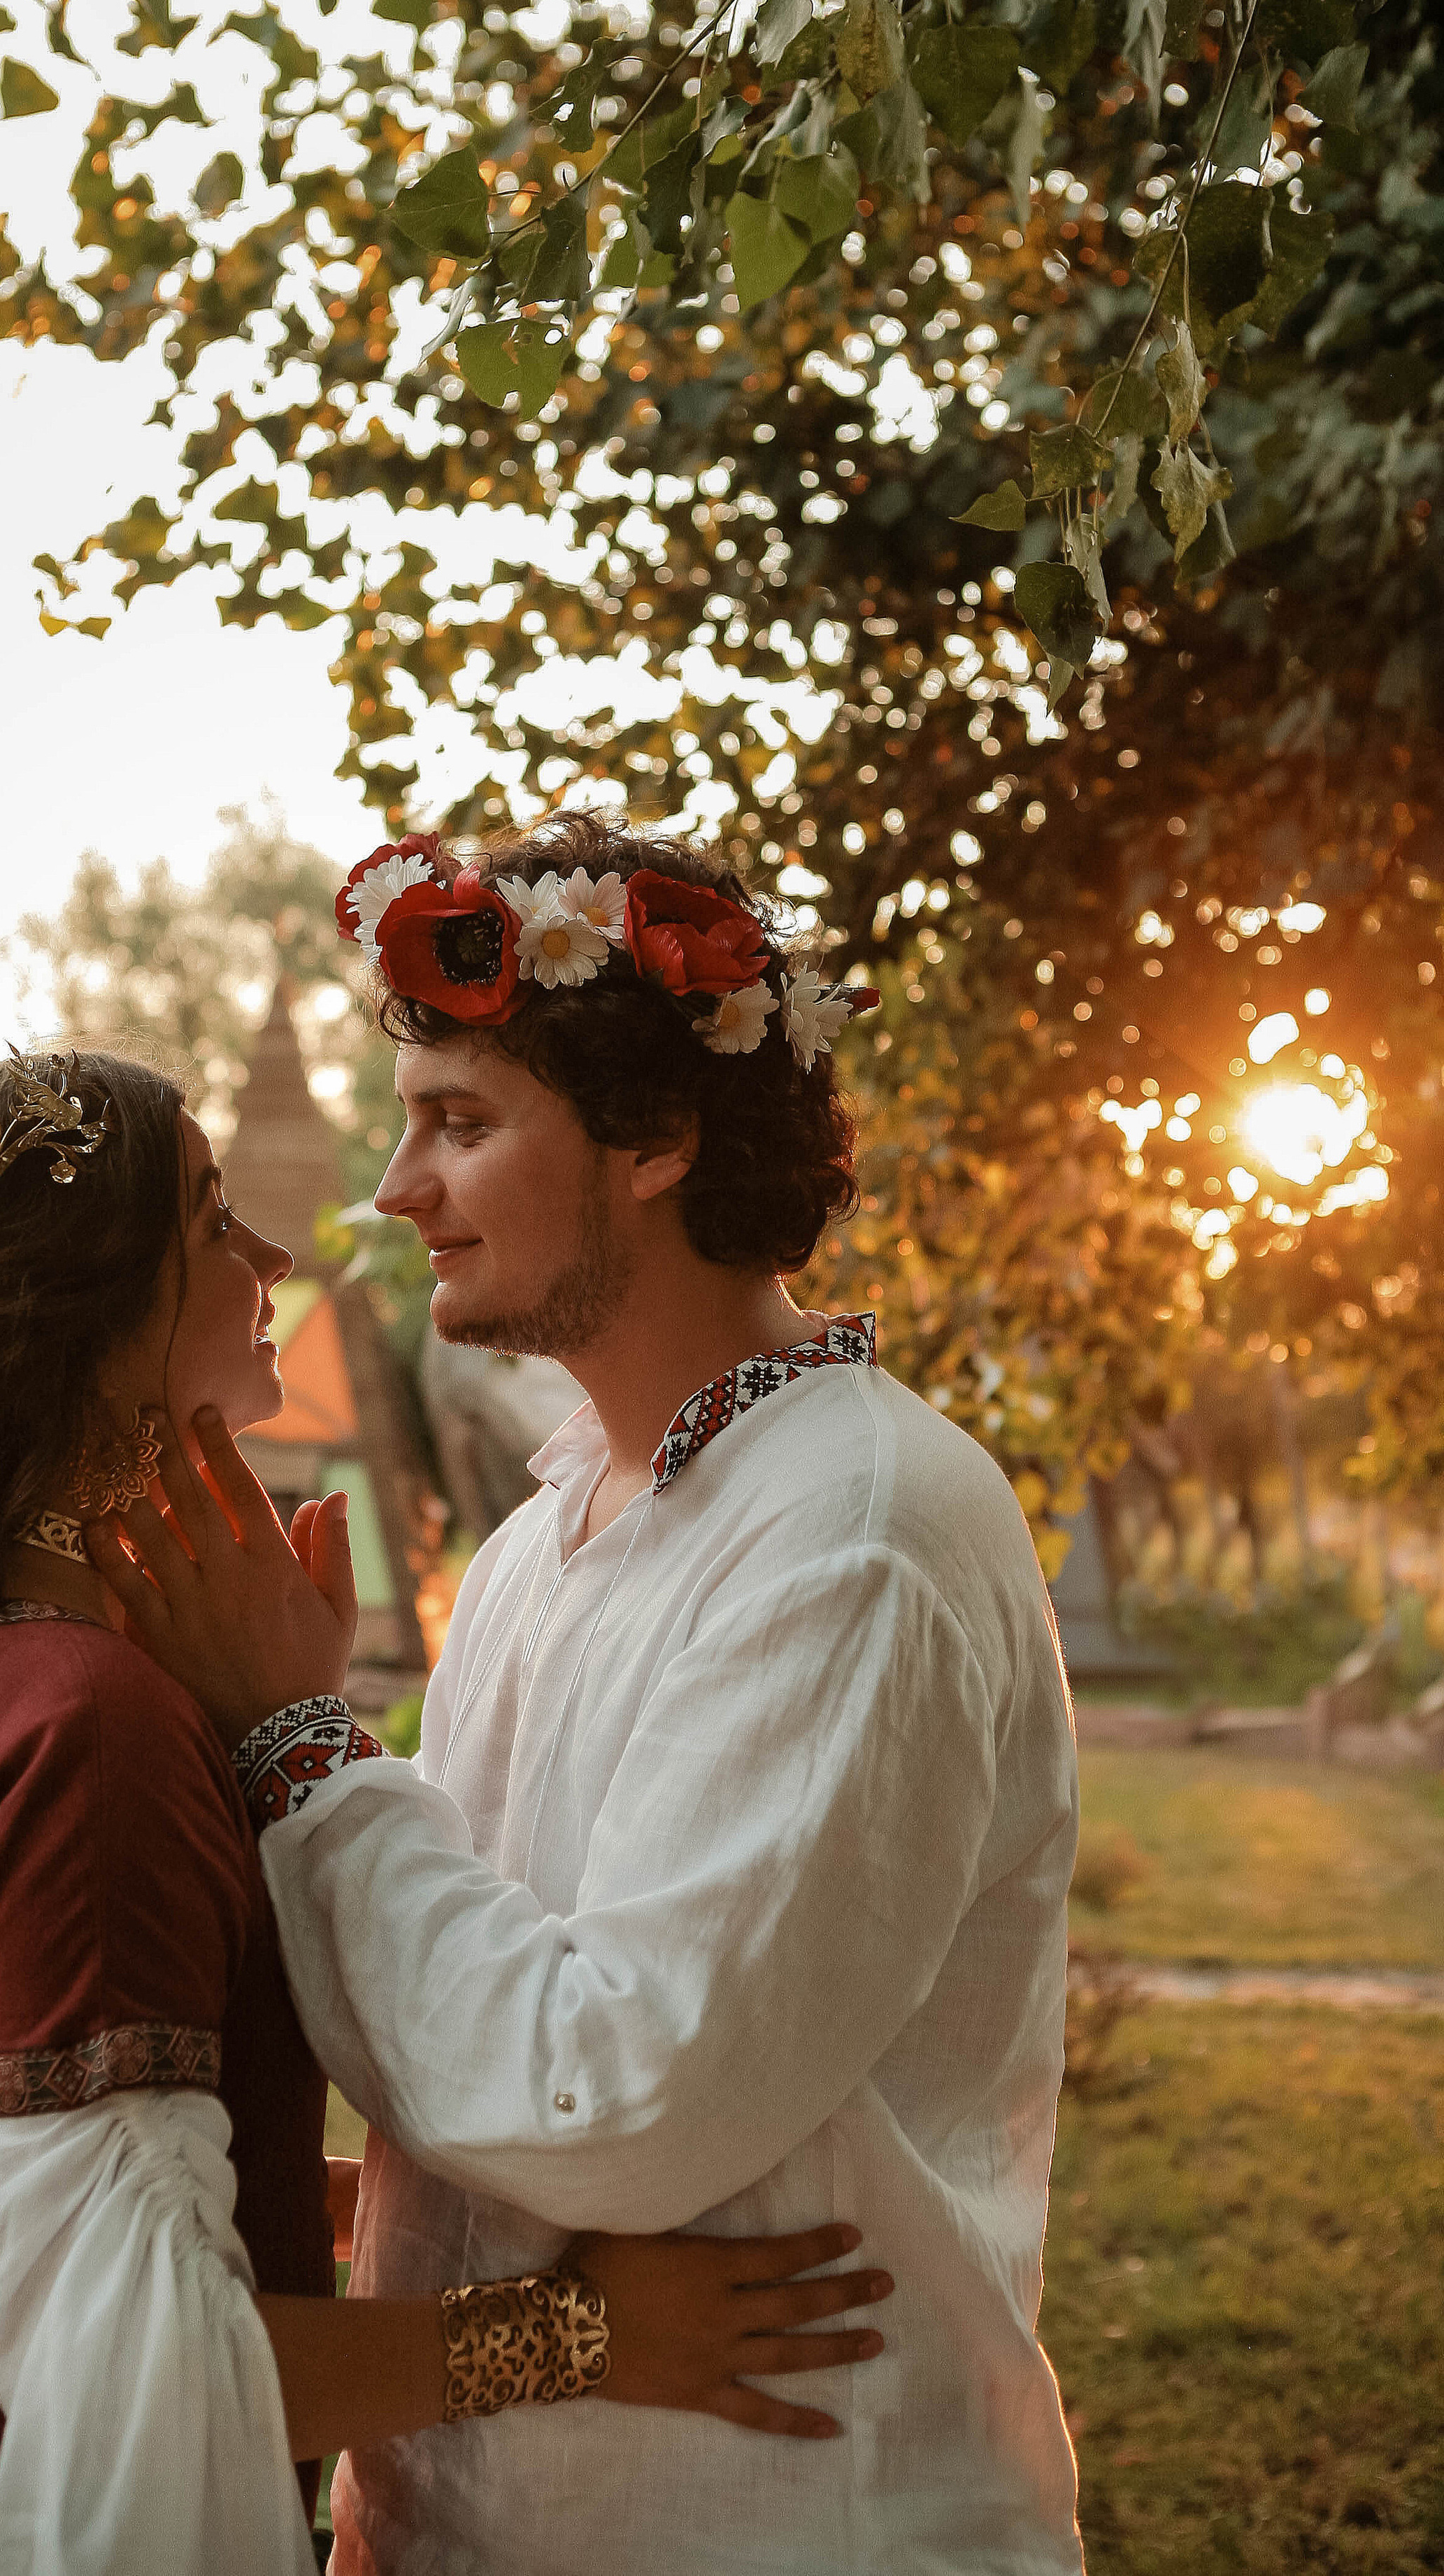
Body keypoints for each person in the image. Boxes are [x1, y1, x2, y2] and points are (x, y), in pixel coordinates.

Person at [0, 1046, 892, 2576]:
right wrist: (573, 2330)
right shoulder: (82, 1727)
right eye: (211, 1223)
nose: (274, 1257)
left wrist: (395, 2195)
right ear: (82, 1315)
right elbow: (139, 2370)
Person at [90, 819, 1086, 2576]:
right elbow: (466, 2020)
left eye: (460, 1126)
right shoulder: (555, 1526)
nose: (394, 1194)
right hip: (472, 2513)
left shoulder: (853, 1531)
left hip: (772, 2527)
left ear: (654, 1139)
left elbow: (609, 2097)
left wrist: (301, 1745)